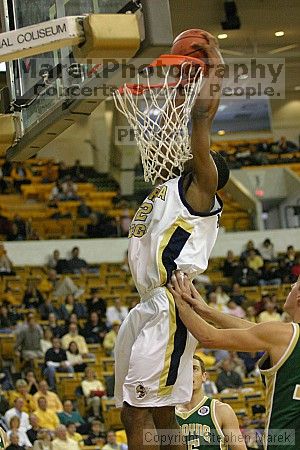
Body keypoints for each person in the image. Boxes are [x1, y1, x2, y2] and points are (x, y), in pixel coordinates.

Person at [114, 30, 230, 450]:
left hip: (168, 306)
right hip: (149, 304)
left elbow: (199, 121)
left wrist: (214, 69)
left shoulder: (201, 188)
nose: (195, 153)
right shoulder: (170, 186)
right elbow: (175, 120)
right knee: (160, 412)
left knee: (137, 409)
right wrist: (183, 83)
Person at [168, 271, 300, 450]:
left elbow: (208, 337)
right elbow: (256, 331)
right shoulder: (281, 336)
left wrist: (180, 302)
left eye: (296, 283)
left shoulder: (283, 335)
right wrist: (207, 311)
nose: (291, 286)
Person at [175, 355, 246, 450]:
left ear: (204, 376)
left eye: (194, 369)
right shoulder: (167, 413)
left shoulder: (221, 410)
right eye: (184, 369)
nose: (189, 374)